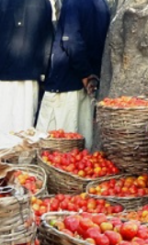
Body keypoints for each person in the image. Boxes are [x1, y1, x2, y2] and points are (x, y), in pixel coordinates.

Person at [36, 0, 109, 146]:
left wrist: (85, 73)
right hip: (88, 83)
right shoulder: (103, 5)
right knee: (80, 142)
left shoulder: (73, 4)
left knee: (51, 143)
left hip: (66, 82)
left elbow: (71, 40)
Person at [0, 0, 53, 133]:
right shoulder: (44, 3)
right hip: (30, 79)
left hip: (1, 76)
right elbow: (48, 45)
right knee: (24, 132)